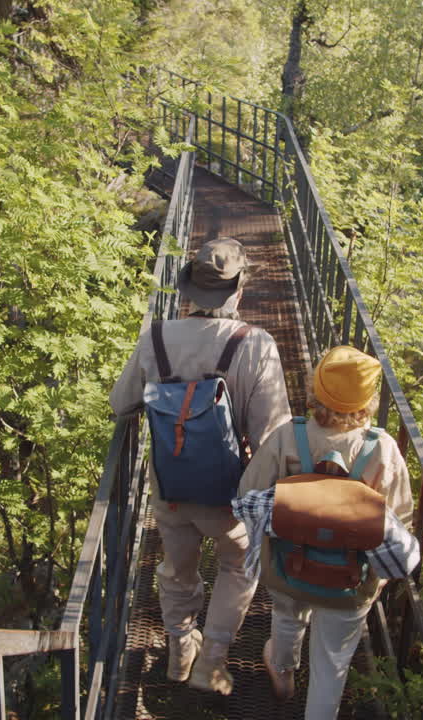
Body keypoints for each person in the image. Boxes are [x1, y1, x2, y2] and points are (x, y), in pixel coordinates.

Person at [110, 237, 291, 694]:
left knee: (176, 568)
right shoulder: (257, 344)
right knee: (237, 568)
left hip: (171, 488)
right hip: (231, 492)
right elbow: (273, 433)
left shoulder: (156, 337)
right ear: (239, 291)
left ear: (189, 291)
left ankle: (178, 651)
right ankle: (212, 661)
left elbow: (120, 404)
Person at [237, 345, 415, 717]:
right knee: (332, 664)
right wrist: (380, 578)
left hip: (288, 564)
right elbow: (399, 519)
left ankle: (282, 670)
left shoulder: (288, 436)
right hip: (349, 579)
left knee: (287, 616)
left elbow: (247, 495)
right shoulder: (381, 449)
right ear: (369, 400)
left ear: (315, 389)